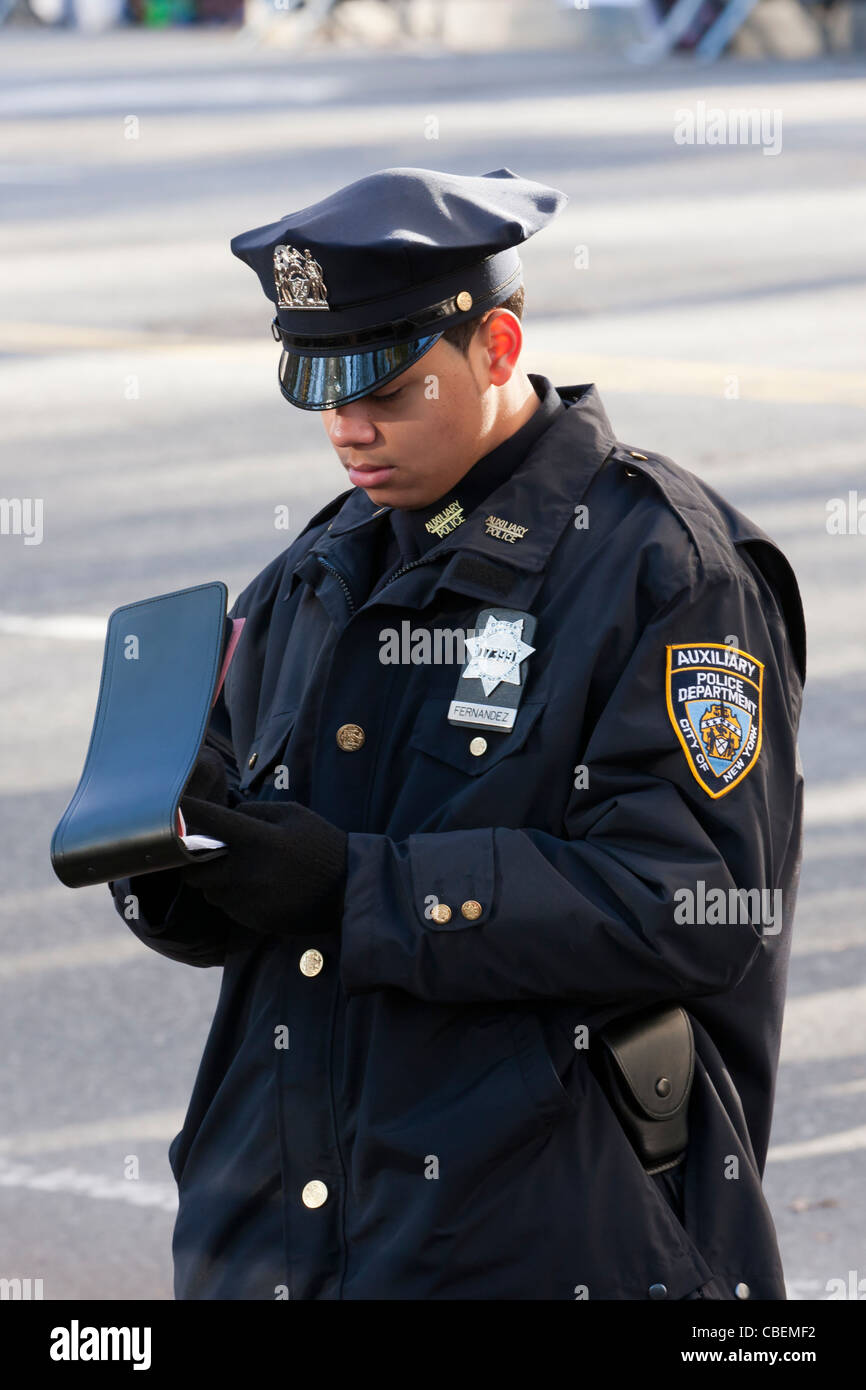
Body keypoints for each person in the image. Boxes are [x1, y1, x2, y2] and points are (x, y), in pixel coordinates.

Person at [109, 165, 806, 1301]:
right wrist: (173, 866)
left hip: (534, 1238)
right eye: (321, 391)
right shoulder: (318, 567)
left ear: (494, 347)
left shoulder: (662, 570)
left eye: (383, 389)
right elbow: (255, 864)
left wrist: (357, 887)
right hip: (286, 1236)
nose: (347, 428)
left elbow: (691, 901)